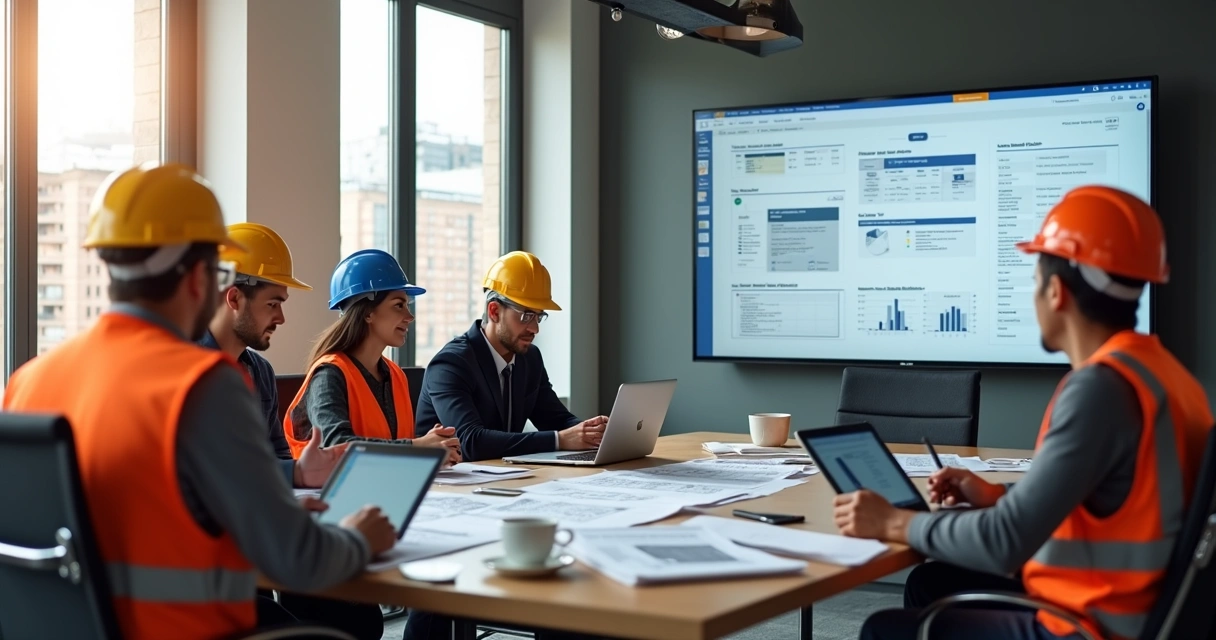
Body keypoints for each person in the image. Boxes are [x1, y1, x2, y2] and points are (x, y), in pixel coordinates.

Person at [2, 162, 398, 640]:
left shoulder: (27, 381)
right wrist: (358, 536)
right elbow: (299, 560)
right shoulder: (201, 384)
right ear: (199, 278)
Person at [835, 186, 1214, 640]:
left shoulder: (1100, 390)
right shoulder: (1165, 376)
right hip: (1134, 607)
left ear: (1055, 292)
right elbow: (1106, 493)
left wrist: (893, 522)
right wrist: (997, 495)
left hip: (1088, 624)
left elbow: (1004, 543)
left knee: (883, 630)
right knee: (930, 583)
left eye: (1034, 282)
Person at [200, 222, 385, 639]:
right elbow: (213, 483)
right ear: (234, 298)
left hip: (248, 559)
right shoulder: (186, 374)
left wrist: (298, 475)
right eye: (273, 303)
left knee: (358, 621)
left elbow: (272, 460)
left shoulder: (259, 372)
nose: (282, 317)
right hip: (202, 582)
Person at [415, 251, 608, 463]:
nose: (534, 329)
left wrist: (595, 433)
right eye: (526, 316)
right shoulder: (451, 364)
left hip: (503, 473)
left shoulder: (530, 358)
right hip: (444, 478)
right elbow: (470, 442)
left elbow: (555, 419)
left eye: (539, 317)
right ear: (494, 311)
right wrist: (559, 440)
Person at [284, 248, 461, 465]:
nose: (409, 316)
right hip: (331, 487)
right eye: (399, 305)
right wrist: (418, 447)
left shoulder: (396, 375)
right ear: (368, 313)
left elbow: (392, 449)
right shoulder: (329, 374)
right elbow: (336, 446)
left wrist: (433, 450)